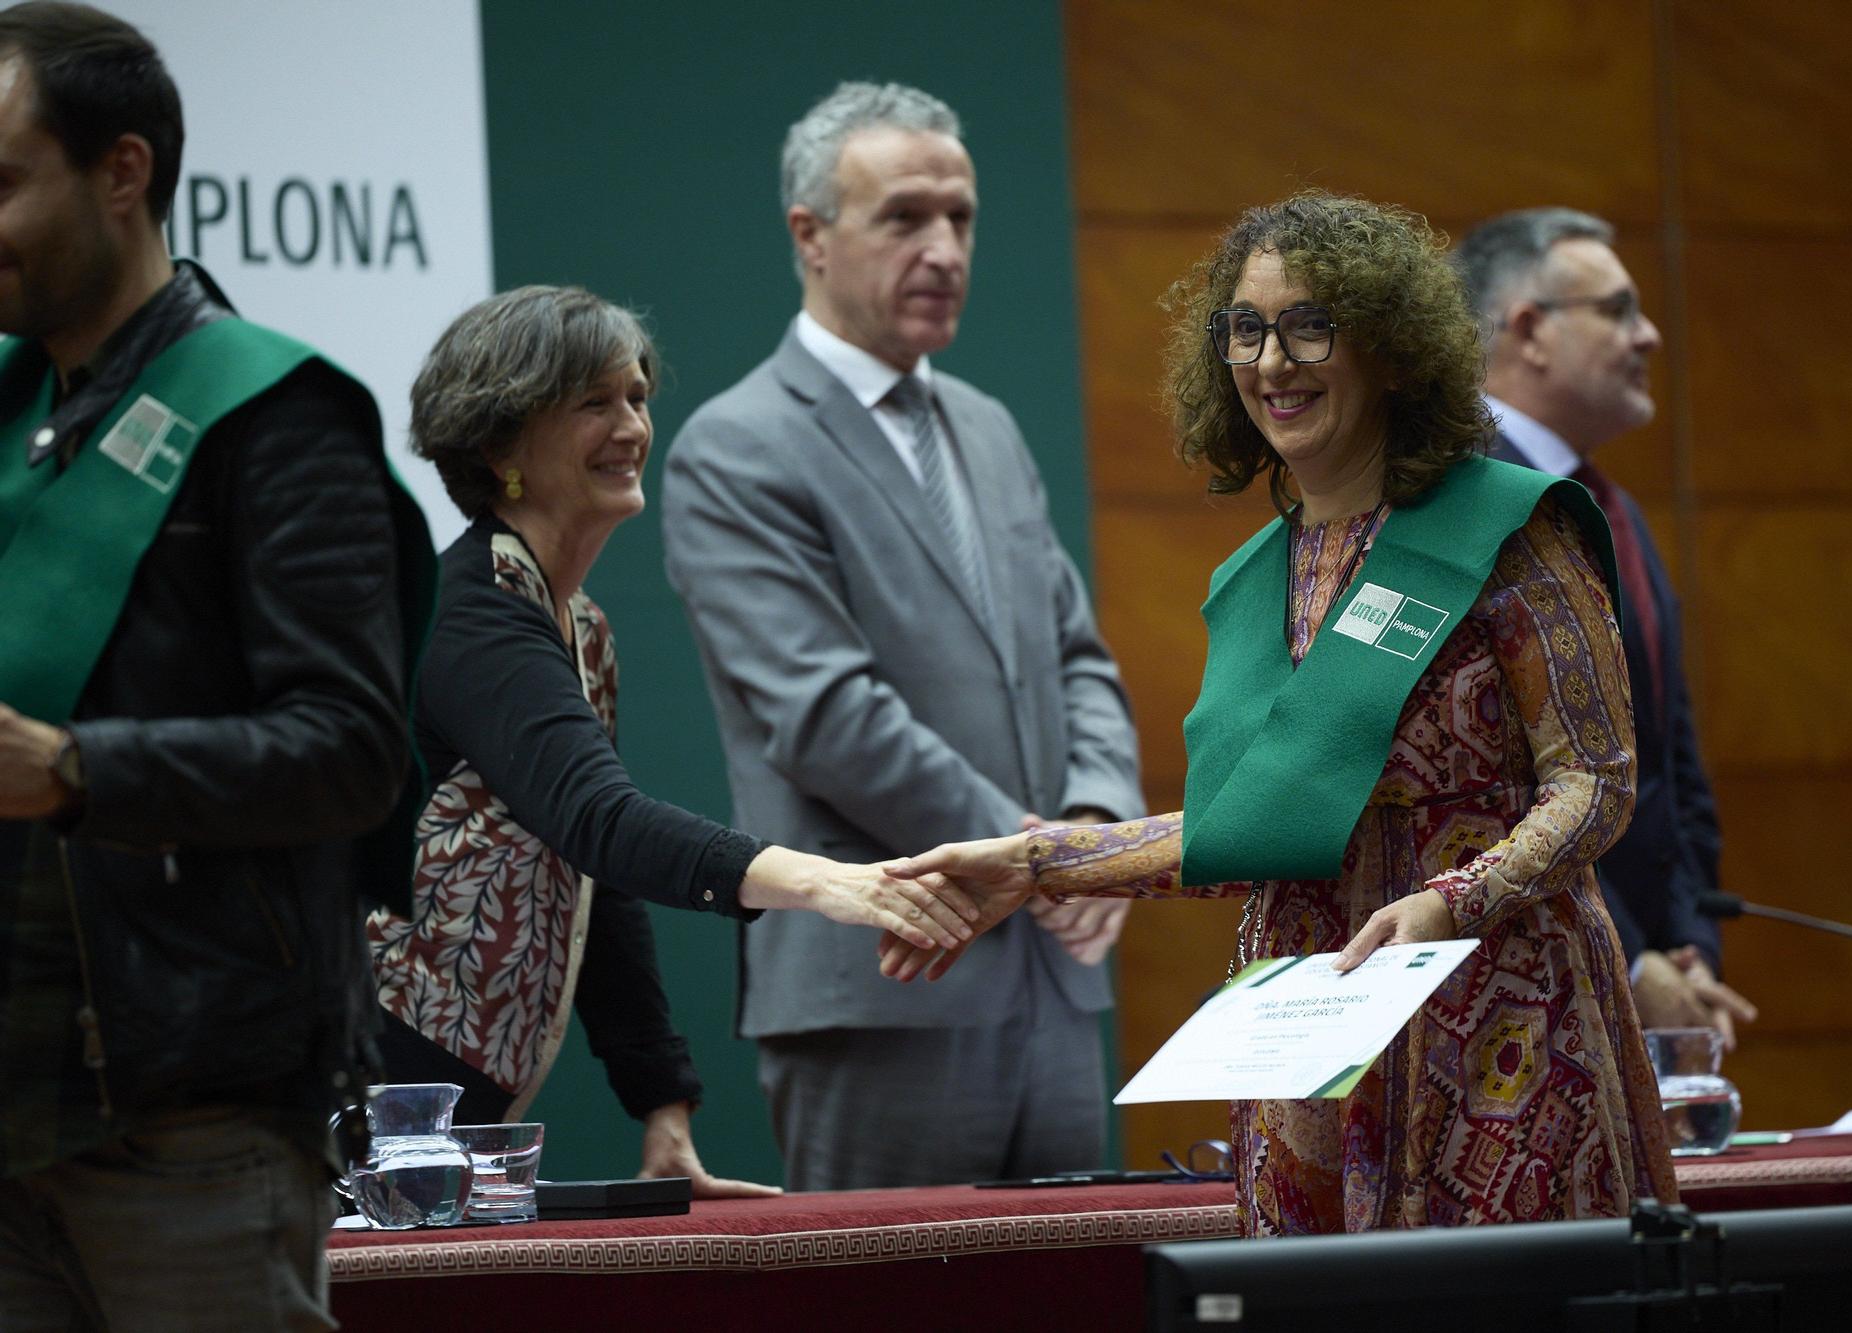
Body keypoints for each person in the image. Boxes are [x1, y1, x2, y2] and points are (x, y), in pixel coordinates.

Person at [884, 191, 1677, 1233]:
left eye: (1309, 326)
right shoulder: (1257, 573)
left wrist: (1456, 898)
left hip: (1499, 1035)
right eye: (1245, 330)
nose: (1270, 363)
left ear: (1389, 350)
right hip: (1313, 1043)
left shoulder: (1505, 528)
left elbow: (1595, 783)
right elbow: (1251, 830)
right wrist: (1030, 864)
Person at [0, 4, 434, 1326]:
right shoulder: (16, 415)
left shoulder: (277, 418)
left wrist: (77, 770)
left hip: (193, 1114)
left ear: (121, 172)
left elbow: (353, 749)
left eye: (3, 182)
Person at [367, 285, 980, 1195]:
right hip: (370, 1091)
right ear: (501, 447)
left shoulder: (579, 625)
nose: (631, 426)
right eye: (593, 404)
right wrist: (833, 883)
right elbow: (602, 822)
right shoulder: (472, 613)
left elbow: (593, 881)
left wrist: (664, 1113)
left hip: (450, 1106)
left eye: (637, 397)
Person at [661, 81, 1143, 1191]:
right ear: (810, 236)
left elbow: (1077, 658)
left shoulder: (986, 425)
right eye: (904, 219)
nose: (942, 248)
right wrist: (1042, 861)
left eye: (960, 219)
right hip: (882, 990)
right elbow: (827, 717)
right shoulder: (735, 447)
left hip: (1056, 980)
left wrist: (1094, 833)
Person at [1452, 207, 1757, 1048]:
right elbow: (1494, 776)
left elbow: (1666, 755)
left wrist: (1688, 943)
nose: (1650, 334)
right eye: (1618, 309)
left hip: (1644, 996)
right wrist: (1627, 958)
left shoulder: (1609, 506)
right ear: (1530, 330)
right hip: (1525, 1005)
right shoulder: (1463, 505)